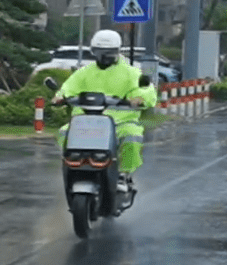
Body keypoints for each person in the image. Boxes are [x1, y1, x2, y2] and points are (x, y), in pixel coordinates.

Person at [55, 29, 160, 188]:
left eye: (109, 52)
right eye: (100, 51)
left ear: (117, 51)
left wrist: (139, 99)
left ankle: (124, 175)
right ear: (93, 52)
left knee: (132, 137)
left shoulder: (131, 73)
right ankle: (73, 165)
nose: (104, 56)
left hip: (121, 124)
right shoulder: (84, 72)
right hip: (86, 122)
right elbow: (69, 88)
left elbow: (146, 90)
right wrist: (60, 96)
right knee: (64, 132)